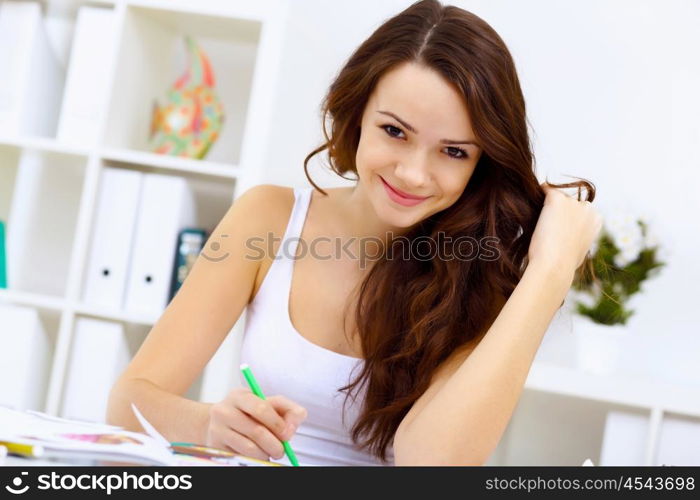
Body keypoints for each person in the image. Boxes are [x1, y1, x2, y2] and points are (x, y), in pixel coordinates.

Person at [107, 0, 602, 466]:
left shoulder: (482, 271)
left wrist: (550, 272)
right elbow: (129, 402)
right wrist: (209, 423)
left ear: (482, 163)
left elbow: (432, 465)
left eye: (453, 151)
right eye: (395, 131)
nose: (412, 173)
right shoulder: (269, 218)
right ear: (358, 112)